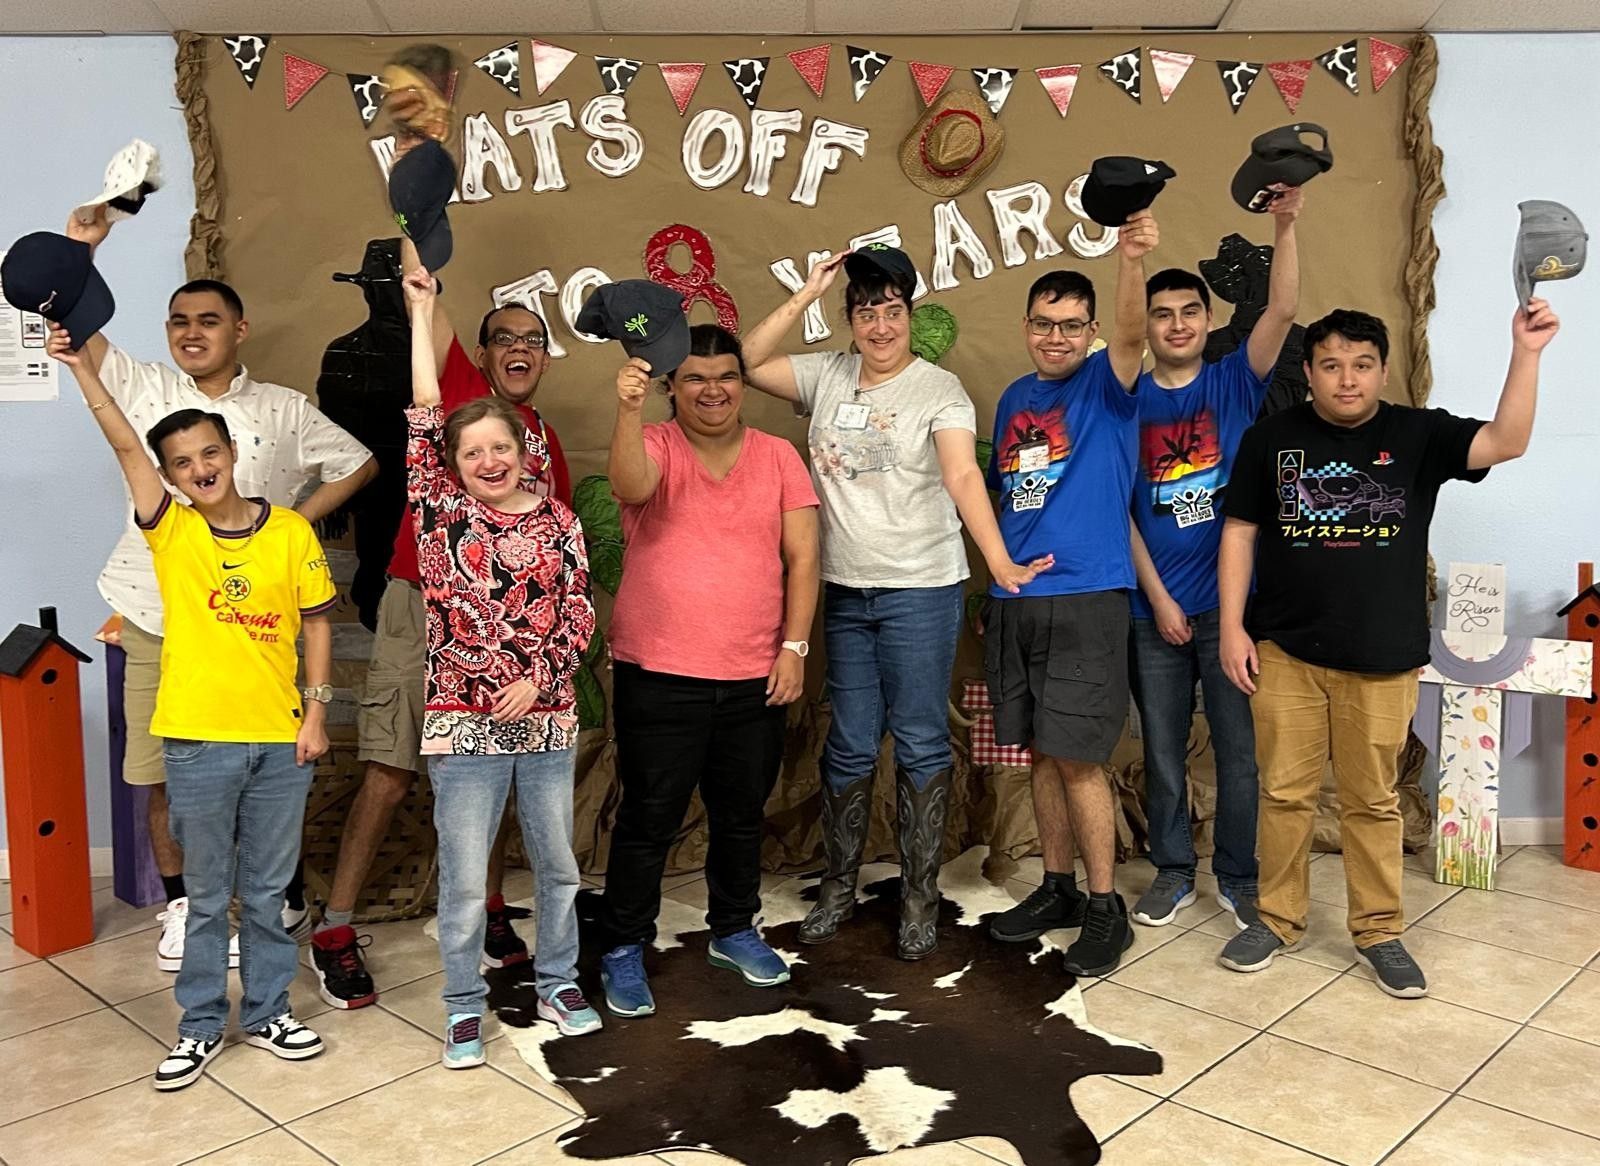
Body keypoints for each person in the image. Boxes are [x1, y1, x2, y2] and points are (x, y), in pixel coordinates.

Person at [63, 207, 374, 974]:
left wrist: (290, 528)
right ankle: (182, 905)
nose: (191, 332)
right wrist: (82, 252)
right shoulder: (144, 385)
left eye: (208, 320)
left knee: (266, 769)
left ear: (241, 328)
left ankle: (273, 893)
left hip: (252, 627)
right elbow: (83, 336)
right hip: (153, 614)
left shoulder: (282, 409)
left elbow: (358, 465)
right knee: (161, 772)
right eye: (178, 322)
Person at [1216, 302, 1559, 997]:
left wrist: (1527, 351)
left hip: (1384, 657)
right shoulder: (1271, 438)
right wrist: (1231, 627)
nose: (1348, 380)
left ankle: (1379, 930)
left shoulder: (1417, 434)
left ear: (1382, 370)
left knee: (1372, 800)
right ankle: (1277, 919)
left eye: (1362, 365)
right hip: (1285, 651)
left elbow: (1506, 441)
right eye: (1333, 365)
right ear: (1309, 371)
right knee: (1283, 793)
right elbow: (1240, 532)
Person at [48, 321, 335, 1091]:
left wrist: (315, 713)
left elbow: (316, 622)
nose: (199, 469)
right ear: (170, 477)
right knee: (207, 898)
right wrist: (84, 371)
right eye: (182, 463)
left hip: (280, 743)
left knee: (269, 894)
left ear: (233, 454)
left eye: (210, 454)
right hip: (199, 743)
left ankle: (271, 1009)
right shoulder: (172, 532)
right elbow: (122, 445)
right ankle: (202, 1025)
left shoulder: (289, 534)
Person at [741, 245, 1047, 961]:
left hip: (921, 589)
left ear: (911, 315)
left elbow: (963, 474)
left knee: (916, 737)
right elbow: (751, 359)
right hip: (845, 591)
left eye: (892, 310)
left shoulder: (939, 390)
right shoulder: (826, 374)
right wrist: (804, 291)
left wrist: (998, 560)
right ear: (848, 320)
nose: (880, 325)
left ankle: (917, 895)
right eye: (865, 311)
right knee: (848, 741)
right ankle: (840, 886)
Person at [309, 240, 572, 1010]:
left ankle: (490, 911)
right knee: (391, 770)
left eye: (534, 340)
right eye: (505, 338)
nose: (518, 349)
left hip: (496, 638)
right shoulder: (459, 403)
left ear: (546, 360)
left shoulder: (543, 443)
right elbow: (435, 320)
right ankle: (336, 926)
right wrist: (420, 237)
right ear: (482, 355)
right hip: (419, 603)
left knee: (488, 772)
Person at [401, 267, 600, 1065]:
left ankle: (557, 982)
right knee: (461, 876)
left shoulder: (556, 517)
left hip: (545, 719)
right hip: (463, 722)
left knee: (556, 866)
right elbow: (423, 414)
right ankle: (460, 1005)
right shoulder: (441, 510)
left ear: (525, 452)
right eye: (472, 451)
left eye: (501, 447)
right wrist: (422, 310)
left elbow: (578, 609)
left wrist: (538, 679)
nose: (488, 460)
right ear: (452, 463)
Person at [598, 323, 821, 1016]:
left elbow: (804, 559)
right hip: (659, 672)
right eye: (695, 377)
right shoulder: (657, 444)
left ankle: (732, 927)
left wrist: (795, 648)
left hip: (755, 672)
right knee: (648, 816)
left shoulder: (779, 455)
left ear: (742, 383)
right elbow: (629, 483)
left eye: (726, 375)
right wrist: (629, 410)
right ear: (673, 386)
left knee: (741, 814)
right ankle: (622, 945)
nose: (713, 389)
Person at [981, 211, 1159, 977]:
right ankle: (1055, 886)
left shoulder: (1109, 383)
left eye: (1072, 325)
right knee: (1040, 757)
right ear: (1027, 326)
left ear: (1090, 332)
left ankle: (1102, 904)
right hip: (1016, 600)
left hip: (1089, 598)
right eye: (1045, 324)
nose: (1057, 337)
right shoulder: (1015, 396)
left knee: (1080, 759)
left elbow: (1131, 331)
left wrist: (1129, 258)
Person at [1127, 186, 1303, 930]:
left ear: (1205, 322)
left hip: (1231, 613)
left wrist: (1286, 222)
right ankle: (1172, 869)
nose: (1175, 324)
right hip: (1151, 612)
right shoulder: (1123, 396)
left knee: (1238, 753)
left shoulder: (1235, 381)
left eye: (1188, 312)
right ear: (1150, 324)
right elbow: (1119, 512)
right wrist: (1160, 601)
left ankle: (1237, 872)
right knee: (1164, 752)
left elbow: (1283, 312)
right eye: (1161, 314)